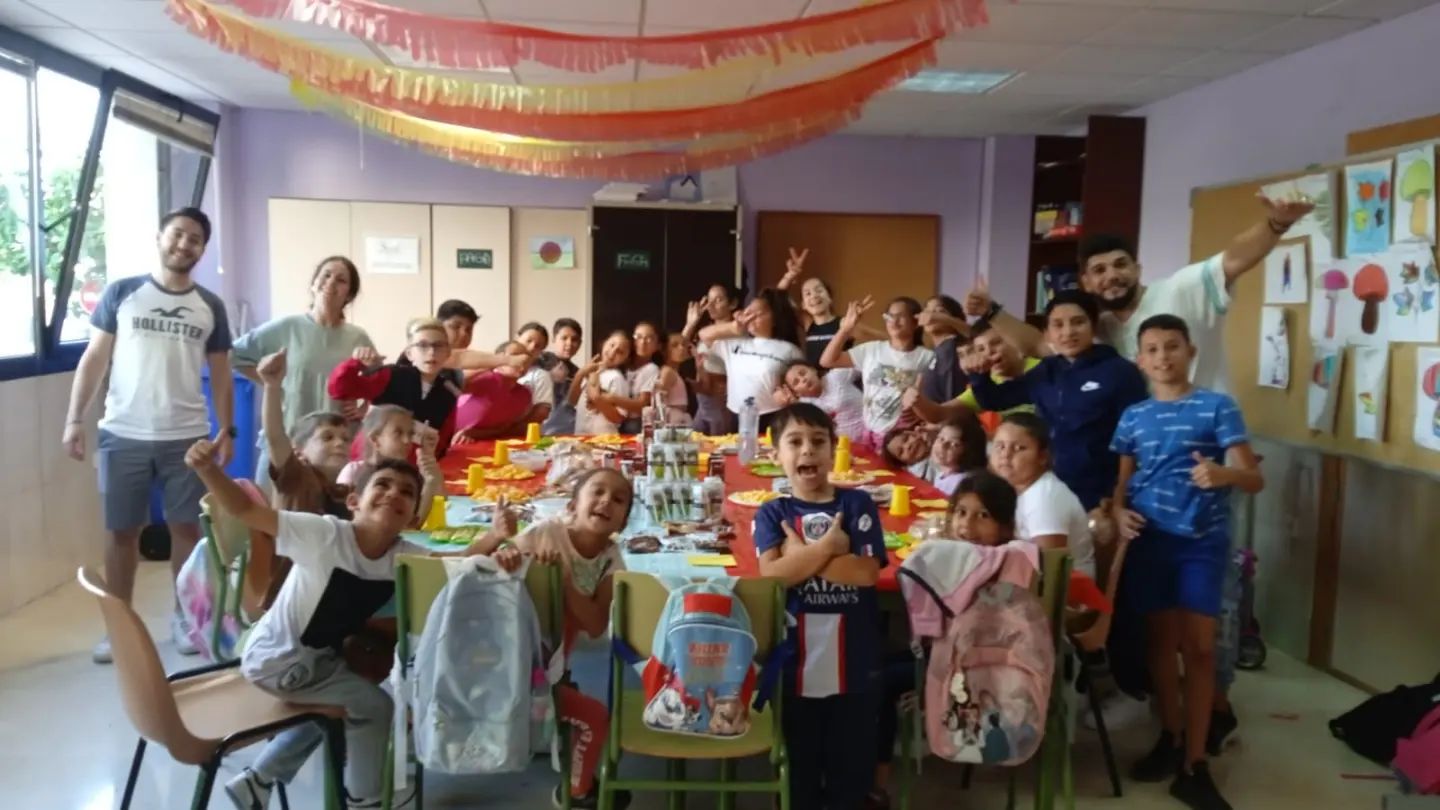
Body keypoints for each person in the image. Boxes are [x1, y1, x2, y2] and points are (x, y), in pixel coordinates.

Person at [187, 441, 512, 810]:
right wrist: (208, 469)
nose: (394, 494)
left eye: (407, 492)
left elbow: (452, 563)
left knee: (347, 698)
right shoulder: (324, 534)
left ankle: (258, 779)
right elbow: (246, 509)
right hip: (278, 660)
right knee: (375, 707)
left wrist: (495, 537)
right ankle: (364, 799)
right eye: (383, 485)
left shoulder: (402, 554)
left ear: (412, 518)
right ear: (354, 501)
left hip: (316, 662)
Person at [60, 207, 234, 664]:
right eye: (178, 234)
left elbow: (220, 374)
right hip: (123, 433)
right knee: (121, 533)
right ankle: (119, 626)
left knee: (186, 529)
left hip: (188, 437)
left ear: (202, 249)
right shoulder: (123, 292)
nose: (184, 244)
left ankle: (184, 617)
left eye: (195, 239)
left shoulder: (210, 306)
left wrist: (226, 431)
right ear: (160, 237)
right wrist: (74, 418)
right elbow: (94, 360)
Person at [1110, 315, 1262, 810]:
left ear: (1190, 350)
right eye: (1151, 350)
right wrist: (1116, 511)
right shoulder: (1133, 416)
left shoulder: (1217, 407)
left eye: (1171, 347)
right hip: (1151, 542)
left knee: (1199, 650)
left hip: (1201, 542)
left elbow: (1252, 478)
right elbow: (1123, 483)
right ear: (1140, 360)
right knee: (1160, 645)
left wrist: (1224, 474)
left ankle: (1196, 762)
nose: (1162, 357)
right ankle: (1171, 737)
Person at [754, 403, 886, 810]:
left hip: (854, 663)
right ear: (776, 455)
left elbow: (865, 574)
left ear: (833, 451)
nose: (807, 451)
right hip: (796, 665)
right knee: (799, 769)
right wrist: (829, 548)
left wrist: (802, 558)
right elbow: (772, 577)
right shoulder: (772, 512)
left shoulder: (857, 504)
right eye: (794, 442)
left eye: (818, 441)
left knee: (849, 770)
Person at [493, 467, 634, 810]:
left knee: (571, 695)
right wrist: (505, 552)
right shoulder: (545, 533)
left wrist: (565, 582)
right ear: (572, 506)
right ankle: (578, 793)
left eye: (618, 500)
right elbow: (497, 564)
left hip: (548, 665)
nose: (606, 502)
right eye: (597, 492)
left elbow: (597, 625)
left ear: (623, 524)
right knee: (595, 718)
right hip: (512, 665)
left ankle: (555, 718)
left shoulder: (611, 561)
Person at [964, 292, 1147, 511]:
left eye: (1078, 322)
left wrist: (1119, 499)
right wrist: (978, 374)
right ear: (1047, 334)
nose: (1068, 332)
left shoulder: (1120, 372)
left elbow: (1136, 440)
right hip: (1045, 487)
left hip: (1098, 496)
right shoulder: (1047, 370)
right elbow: (995, 399)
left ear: (1094, 326)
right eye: (1058, 325)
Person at [232, 256, 375, 484]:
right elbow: (234, 354)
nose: (331, 283)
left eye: (341, 280)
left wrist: (363, 405)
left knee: (327, 514)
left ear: (349, 294)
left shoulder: (357, 337)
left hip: (335, 448)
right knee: (274, 513)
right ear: (313, 284)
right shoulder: (286, 327)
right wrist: (273, 384)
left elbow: (375, 384)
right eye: (325, 275)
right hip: (286, 440)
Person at [251, 348, 353, 612]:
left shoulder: (337, 488)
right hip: (293, 602)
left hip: (324, 588)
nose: (340, 444)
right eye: (327, 438)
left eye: (345, 439)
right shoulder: (298, 479)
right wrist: (272, 386)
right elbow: (275, 436)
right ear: (298, 450)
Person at [329, 318, 460, 456]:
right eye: (422, 345)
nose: (431, 352)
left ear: (448, 352)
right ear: (409, 353)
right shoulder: (391, 376)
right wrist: (356, 363)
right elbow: (339, 389)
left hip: (411, 470)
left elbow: (443, 441)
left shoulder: (448, 393)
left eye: (438, 346)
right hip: (370, 460)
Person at [821, 296, 935, 451]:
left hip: (901, 438)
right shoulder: (872, 349)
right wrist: (846, 329)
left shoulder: (926, 357)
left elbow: (934, 396)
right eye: (889, 316)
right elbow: (827, 361)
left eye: (900, 317)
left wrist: (921, 412)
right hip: (869, 431)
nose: (894, 321)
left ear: (915, 322)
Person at [988, 413, 1094, 577]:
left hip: (1066, 594)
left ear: (1042, 457)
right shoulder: (1011, 489)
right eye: (1000, 446)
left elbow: (1051, 572)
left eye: (1019, 448)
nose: (1006, 455)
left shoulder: (1045, 497)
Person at [906, 318, 1040, 434]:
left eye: (996, 342)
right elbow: (939, 414)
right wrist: (917, 401)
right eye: (981, 349)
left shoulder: (1042, 367)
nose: (989, 352)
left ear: (1013, 341)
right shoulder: (986, 386)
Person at [697, 289, 805, 430]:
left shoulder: (789, 349)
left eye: (758, 314)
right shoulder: (735, 343)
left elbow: (802, 383)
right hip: (736, 414)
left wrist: (790, 395)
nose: (751, 317)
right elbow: (704, 335)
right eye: (748, 313)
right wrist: (733, 327)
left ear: (774, 319)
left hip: (772, 415)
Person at [775, 247, 867, 365]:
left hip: (839, 382)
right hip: (812, 381)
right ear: (803, 305)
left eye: (819, 290)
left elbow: (884, 341)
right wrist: (789, 276)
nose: (814, 296)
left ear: (830, 298)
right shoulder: (808, 323)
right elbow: (778, 298)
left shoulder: (845, 323)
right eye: (808, 293)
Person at [682, 283, 743, 435]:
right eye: (709, 300)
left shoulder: (739, 330)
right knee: (696, 447)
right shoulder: (704, 331)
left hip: (723, 402)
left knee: (719, 448)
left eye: (718, 300)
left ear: (733, 303)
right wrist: (691, 324)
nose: (711, 305)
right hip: (703, 401)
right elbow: (679, 351)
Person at [450, 342, 536, 443]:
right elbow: (452, 382)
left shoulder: (524, 394)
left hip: (483, 444)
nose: (520, 361)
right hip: (446, 440)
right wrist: (494, 363)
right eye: (515, 355)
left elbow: (504, 429)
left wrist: (473, 433)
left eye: (525, 357)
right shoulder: (484, 379)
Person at [774, 359, 864, 443]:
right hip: (845, 447)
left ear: (813, 370)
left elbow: (862, 361)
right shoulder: (804, 405)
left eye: (803, 373)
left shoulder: (836, 377)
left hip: (872, 434)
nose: (803, 379)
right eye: (796, 382)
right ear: (797, 393)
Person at [908, 412, 987, 496]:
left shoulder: (963, 484)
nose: (943, 445)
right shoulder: (943, 473)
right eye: (941, 438)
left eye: (954, 444)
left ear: (969, 452)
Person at [573, 330, 633, 435]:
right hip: (582, 438)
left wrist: (597, 399)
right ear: (604, 343)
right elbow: (573, 401)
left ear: (625, 359)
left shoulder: (617, 378)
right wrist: (581, 374)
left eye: (620, 352)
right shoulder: (590, 371)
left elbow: (619, 417)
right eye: (612, 345)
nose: (613, 352)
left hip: (604, 441)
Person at [945, 470, 1019, 547]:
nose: (967, 523)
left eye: (983, 515)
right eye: (962, 512)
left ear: (1005, 528)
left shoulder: (1015, 556)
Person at [918, 295, 969, 404]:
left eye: (940, 311)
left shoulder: (951, 349)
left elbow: (952, 395)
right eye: (927, 311)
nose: (931, 316)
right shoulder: (937, 350)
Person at [540, 317, 584, 435]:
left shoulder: (577, 372)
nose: (569, 344)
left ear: (580, 344)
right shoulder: (541, 359)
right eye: (564, 338)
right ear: (554, 339)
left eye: (574, 339)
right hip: (535, 428)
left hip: (563, 431)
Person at [515, 322, 556, 427]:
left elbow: (541, 412)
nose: (532, 347)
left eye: (538, 346)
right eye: (528, 341)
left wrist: (512, 429)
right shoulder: (498, 366)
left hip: (523, 434)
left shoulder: (541, 375)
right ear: (517, 339)